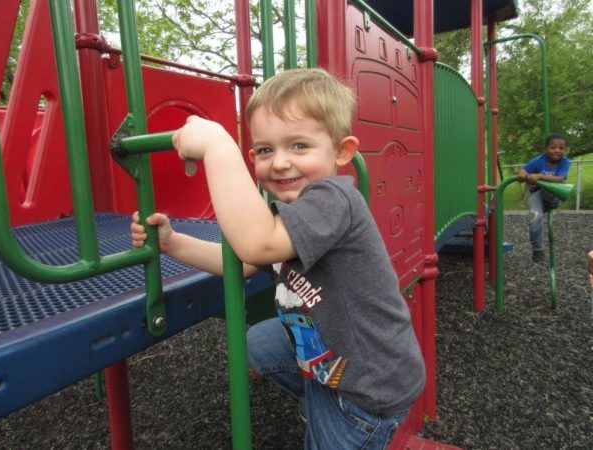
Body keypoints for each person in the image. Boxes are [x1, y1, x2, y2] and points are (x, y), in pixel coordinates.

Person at [131, 68, 425, 449]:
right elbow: (241, 260)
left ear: (342, 151)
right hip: (338, 355)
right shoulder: (288, 212)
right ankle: (318, 391)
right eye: (267, 150)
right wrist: (174, 243)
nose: (281, 162)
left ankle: (329, 405)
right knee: (260, 341)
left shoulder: (334, 200)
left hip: (366, 392)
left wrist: (218, 146)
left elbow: (258, 245)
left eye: (299, 146)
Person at [517, 133, 571, 263]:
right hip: (537, 195)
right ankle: (538, 249)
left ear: (565, 150)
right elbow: (522, 172)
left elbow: (560, 178)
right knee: (535, 218)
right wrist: (522, 174)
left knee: (549, 190)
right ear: (545, 149)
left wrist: (539, 176)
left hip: (553, 197)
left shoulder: (565, 162)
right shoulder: (538, 161)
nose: (557, 151)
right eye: (553, 148)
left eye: (561, 148)